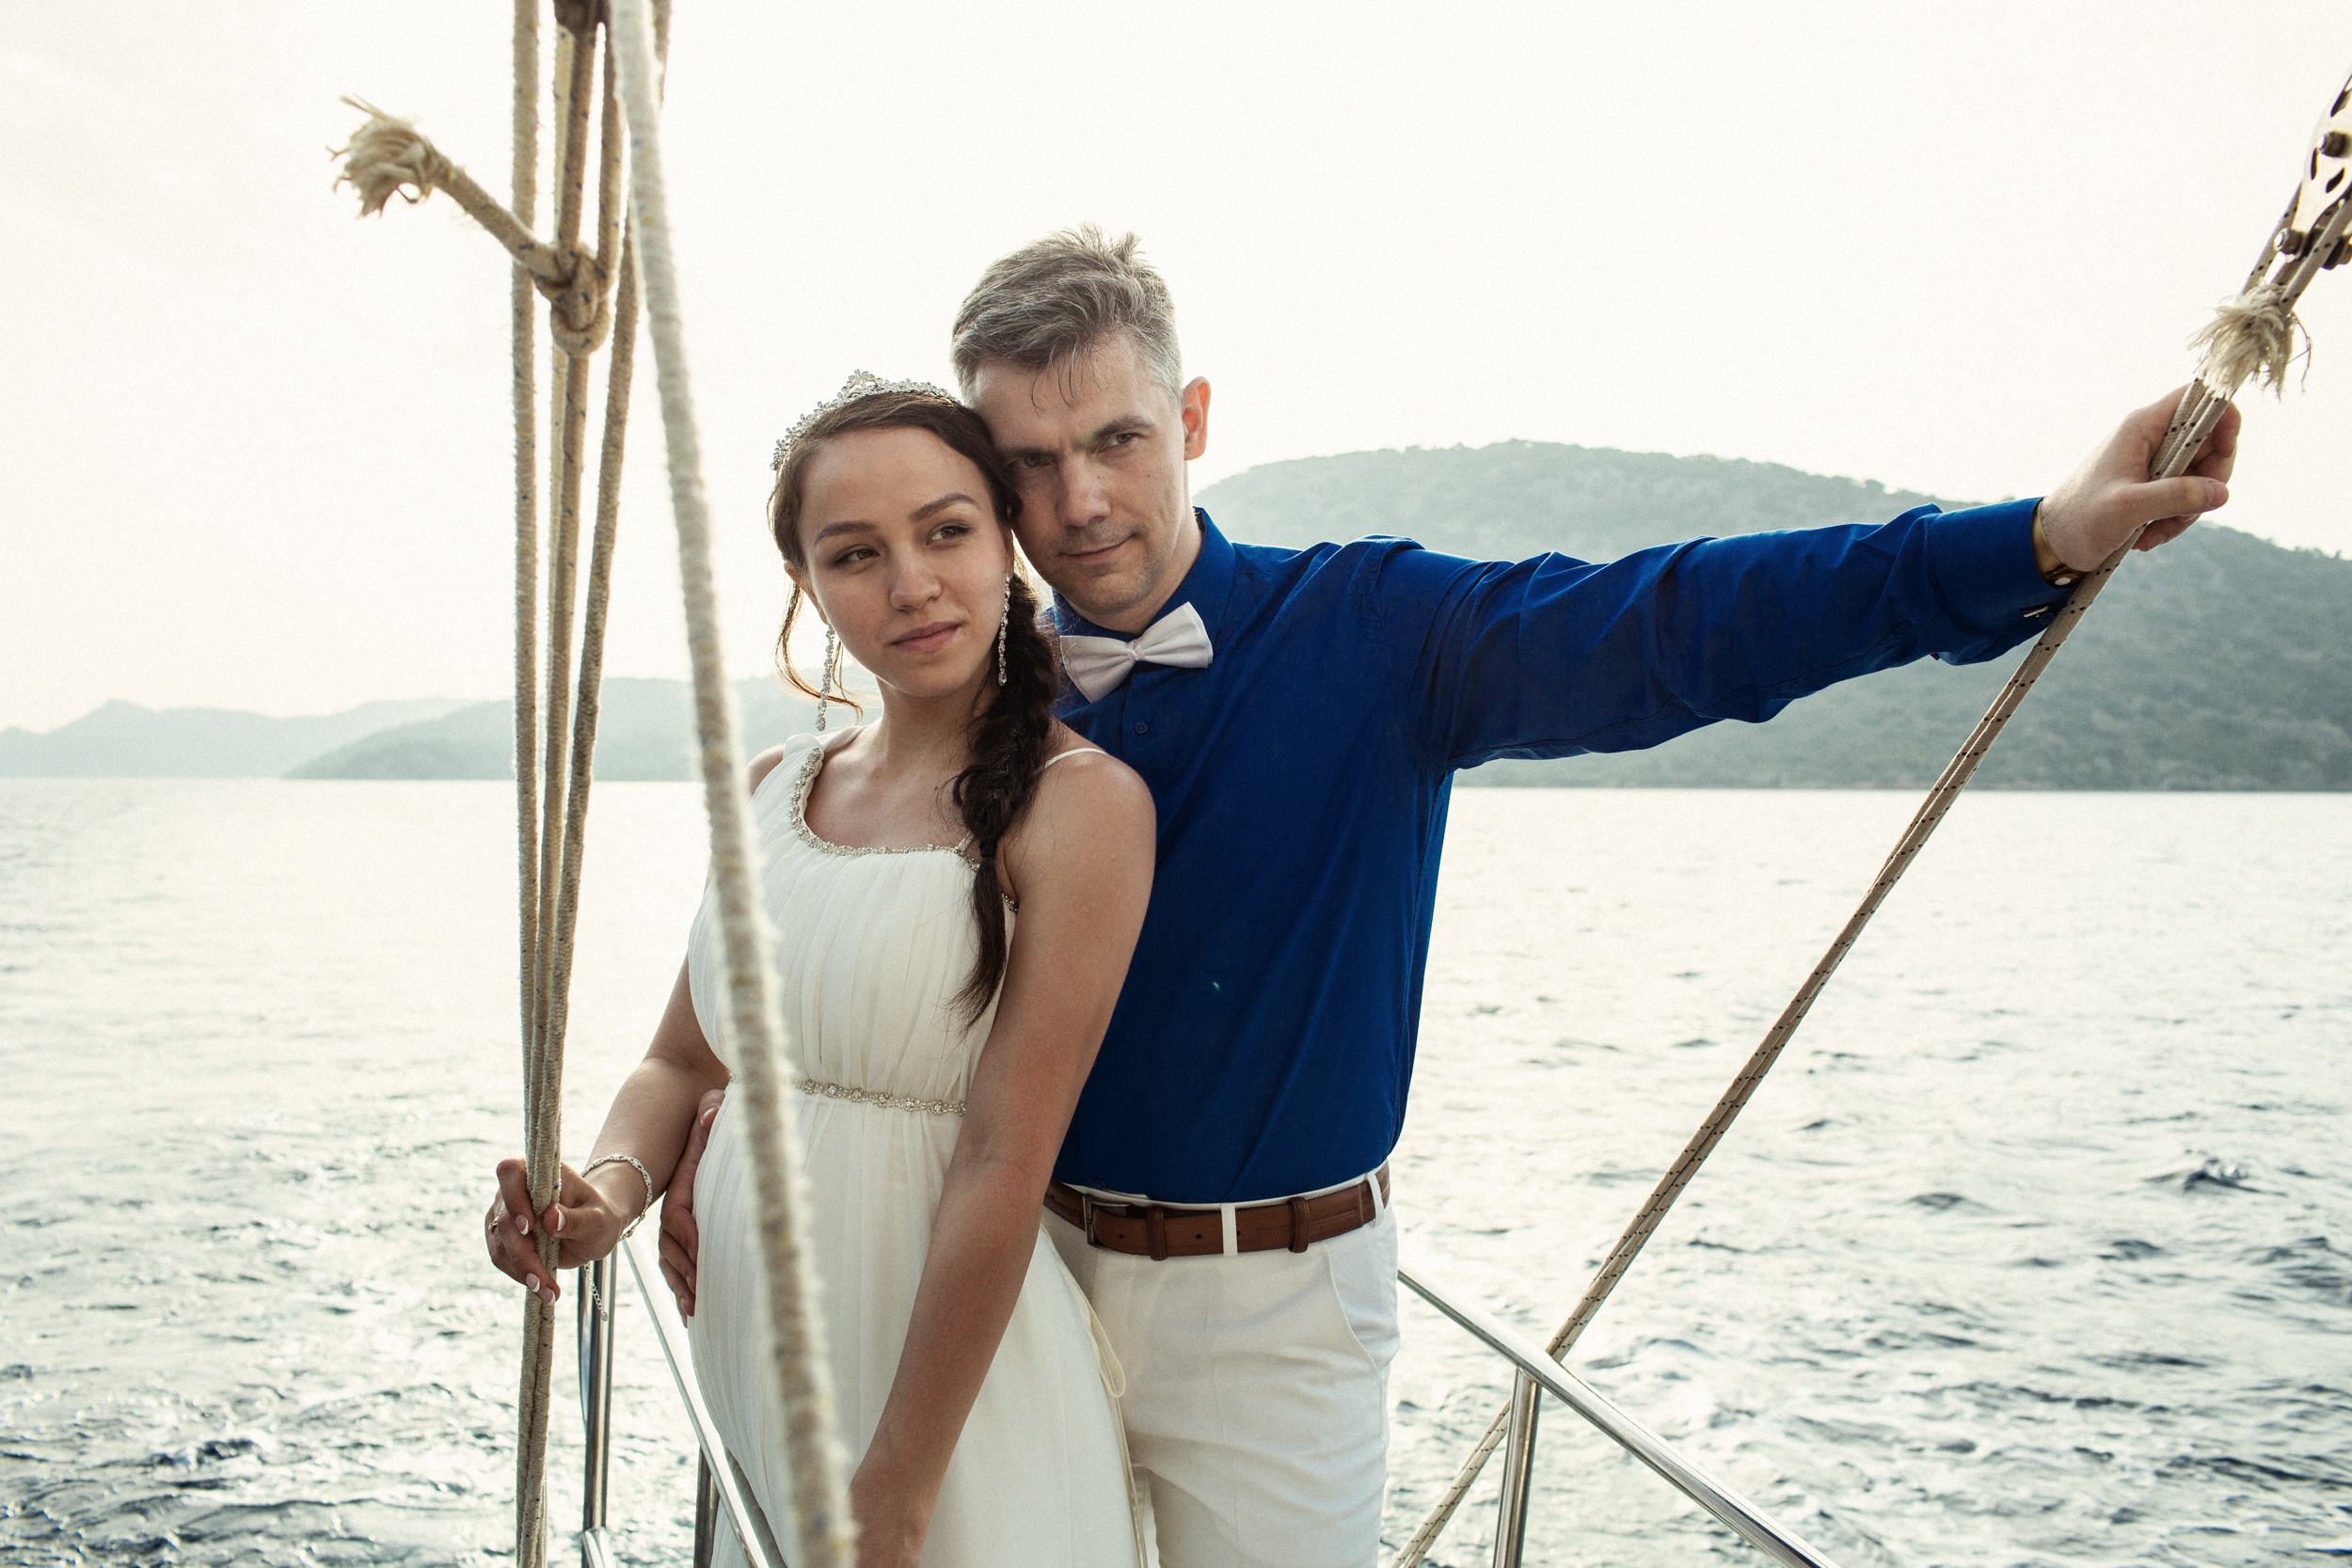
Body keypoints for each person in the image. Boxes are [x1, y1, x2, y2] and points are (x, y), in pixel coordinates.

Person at [663, 230, 2242, 1568]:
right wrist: (707, 1133)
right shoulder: (964, 699)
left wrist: (2033, 537)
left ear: (1193, 416)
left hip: (1274, 1310)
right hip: (1028, 1286)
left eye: (1120, 440)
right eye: (1032, 463)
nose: (1080, 501)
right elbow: (832, 950)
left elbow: (1682, 620)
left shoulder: (1377, 632)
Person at [484, 376, 1159, 1568]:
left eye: (946, 531)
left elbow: (1007, 1157)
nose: (910, 583)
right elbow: (680, 1056)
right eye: (855, 553)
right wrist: (607, 1190)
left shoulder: (1081, 808)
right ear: (806, 584)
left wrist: (898, 1486)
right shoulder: (769, 791)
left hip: (940, 1410)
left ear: (1006, 541)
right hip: (763, 1367)